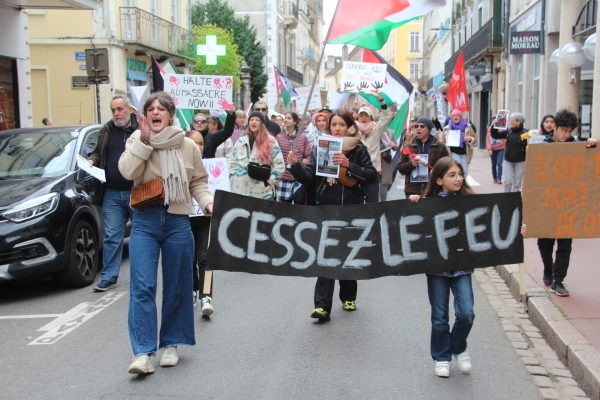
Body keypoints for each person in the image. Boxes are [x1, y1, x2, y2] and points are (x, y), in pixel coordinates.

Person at [118, 91, 214, 374]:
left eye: (161, 109)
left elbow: (197, 182)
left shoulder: (187, 146)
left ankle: (171, 343)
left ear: (171, 115)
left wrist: (208, 202)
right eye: (151, 109)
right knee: (143, 286)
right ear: (145, 115)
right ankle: (143, 353)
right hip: (145, 221)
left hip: (177, 220)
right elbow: (126, 171)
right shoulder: (137, 140)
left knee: (177, 285)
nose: (156, 112)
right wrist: (145, 142)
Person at [287, 110, 378, 321]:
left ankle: (348, 296)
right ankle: (322, 306)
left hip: (351, 209)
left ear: (349, 127)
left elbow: (371, 175)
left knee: (346, 256)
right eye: (334, 125)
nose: (337, 129)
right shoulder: (320, 148)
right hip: (326, 208)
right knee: (325, 256)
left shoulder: (357, 148)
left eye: (341, 125)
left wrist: (349, 165)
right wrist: (294, 165)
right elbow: (308, 177)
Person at [408, 157, 475, 378]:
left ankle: (458, 347)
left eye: (460, 174)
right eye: (452, 175)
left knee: (466, 313)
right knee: (440, 316)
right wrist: (416, 202)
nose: (458, 179)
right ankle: (442, 356)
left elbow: (495, 221)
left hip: (462, 267)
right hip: (437, 268)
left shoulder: (470, 202)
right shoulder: (428, 203)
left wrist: (516, 230)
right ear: (438, 179)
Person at [535, 109, 597, 297]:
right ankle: (548, 268)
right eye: (564, 130)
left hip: (568, 204)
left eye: (570, 131)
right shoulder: (542, 144)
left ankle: (558, 280)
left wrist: (592, 145)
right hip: (547, 202)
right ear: (555, 127)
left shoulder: (576, 145)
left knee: (565, 244)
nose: (566, 135)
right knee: (545, 242)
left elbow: (589, 162)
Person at [88, 95, 138, 292]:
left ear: (129, 109)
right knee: (111, 237)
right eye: (113, 110)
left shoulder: (140, 129)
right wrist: (92, 160)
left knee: (139, 237)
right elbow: (97, 152)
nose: (117, 114)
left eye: (120, 109)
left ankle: (139, 277)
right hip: (112, 193)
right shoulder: (106, 130)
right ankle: (108, 277)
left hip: (137, 191)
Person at [229, 111, 285, 200]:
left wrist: (268, 182)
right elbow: (232, 165)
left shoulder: (271, 142)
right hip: (239, 193)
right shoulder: (240, 142)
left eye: (257, 120)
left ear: (262, 124)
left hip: (262, 195)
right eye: (251, 120)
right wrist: (233, 180)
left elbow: (280, 167)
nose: (253, 122)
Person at [397, 117, 450, 199]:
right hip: (412, 191)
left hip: (433, 191)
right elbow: (400, 168)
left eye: (422, 126)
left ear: (428, 129)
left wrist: (437, 171)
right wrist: (411, 164)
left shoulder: (440, 147)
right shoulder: (408, 147)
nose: (418, 128)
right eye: (416, 126)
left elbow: (448, 167)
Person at [355, 94, 392, 203]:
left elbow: (386, 117)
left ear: (371, 118)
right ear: (357, 117)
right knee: (357, 205)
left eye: (367, 115)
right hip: (356, 172)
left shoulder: (376, 130)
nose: (364, 117)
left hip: (372, 171)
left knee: (372, 205)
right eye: (361, 115)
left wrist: (381, 99)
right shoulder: (352, 130)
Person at [276, 112, 311, 203]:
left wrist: (306, 161)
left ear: (295, 122)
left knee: (299, 205)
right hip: (284, 178)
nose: (286, 120)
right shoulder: (279, 137)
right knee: (284, 208)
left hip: (299, 179)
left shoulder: (302, 137)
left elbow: (308, 154)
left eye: (289, 118)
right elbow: (275, 157)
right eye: (285, 118)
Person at [491, 112, 528, 192]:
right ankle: (506, 199)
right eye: (510, 120)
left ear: (519, 122)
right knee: (508, 182)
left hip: (520, 161)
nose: (510, 122)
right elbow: (495, 135)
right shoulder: (508, 132)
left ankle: (515, 201)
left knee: (517, 184)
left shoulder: (526, 133)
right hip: (508, 161)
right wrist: (494, 126)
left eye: (513, 120)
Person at [439, 109, 477, 176]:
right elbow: (442, 141)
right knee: (457, 170)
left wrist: (470, 139)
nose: (456, 117)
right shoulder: (447, 129)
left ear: (460, 117)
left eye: (457, 115)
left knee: (464, 172)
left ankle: (462, 184)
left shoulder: (467, 127)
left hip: (465, 153)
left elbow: (475, 139)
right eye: (454, 115)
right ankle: (458, 185)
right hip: (453, 152)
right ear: (451, 117)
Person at [380, 130, 399, 202]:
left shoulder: (391, 132)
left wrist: (393, 145)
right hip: (375, 160)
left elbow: (397, 146)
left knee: (384, 185)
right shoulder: (372, 130)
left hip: (385, 160)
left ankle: (382, 204)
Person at [485, 117, 505, 184]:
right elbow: (487, 139)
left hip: (501, 148)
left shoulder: (502, 128)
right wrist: (489, 149)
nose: (495, 122)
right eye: (494, 120)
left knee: (499, 163)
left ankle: (499, 178)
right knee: (494, 164)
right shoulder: (490, 129)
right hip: (493, 149)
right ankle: (494, 177)